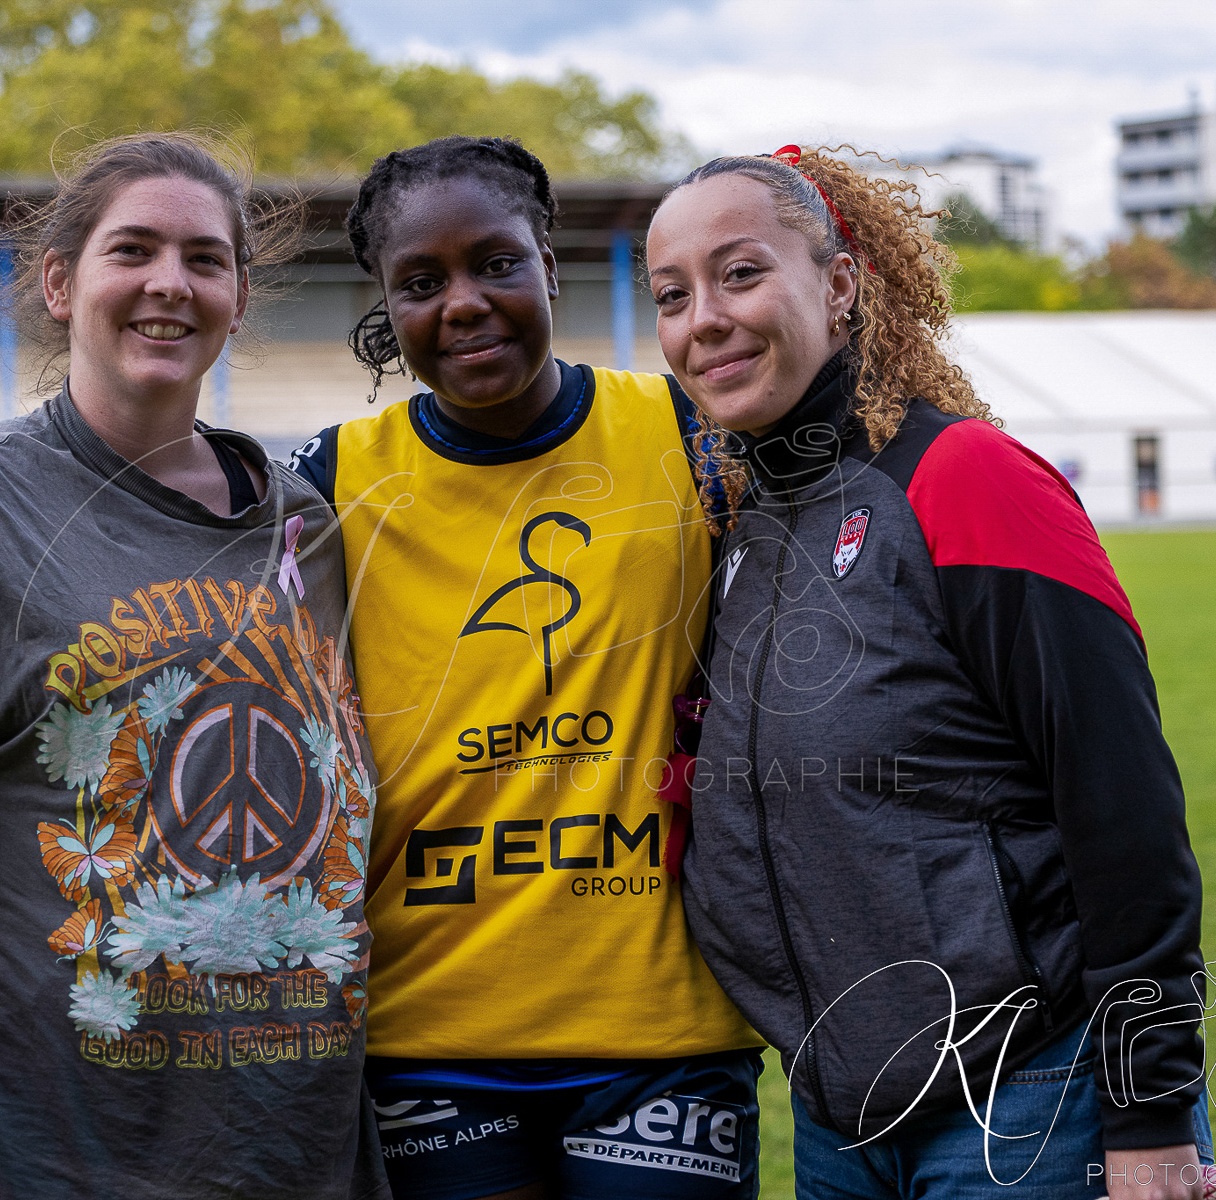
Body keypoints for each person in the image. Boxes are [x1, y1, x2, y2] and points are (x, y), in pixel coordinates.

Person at [0, 133, 386, 1200]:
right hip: (32, 1154)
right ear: (57, 283)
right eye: (132, 250)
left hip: (291, 1148)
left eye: (205, 259)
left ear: (237, 295)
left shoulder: (306, 526)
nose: (169, 284)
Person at [644, 147, 1216, 1200]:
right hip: (842, 1120)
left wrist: (1148, 1121)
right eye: (672, 295)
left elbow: (1124, 810)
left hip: (1029, 1106)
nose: (705, 320)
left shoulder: (963, 477)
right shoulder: (745, 518)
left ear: (839, 285)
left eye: (741, 274)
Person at [290, 136, 764, 1200]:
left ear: (549, 265)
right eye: (421, 282)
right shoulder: (325, 485)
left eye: (495, 263)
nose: (463, 303)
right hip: (426, 1033)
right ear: (386, 306)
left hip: (661, 1026)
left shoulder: (692, 433)